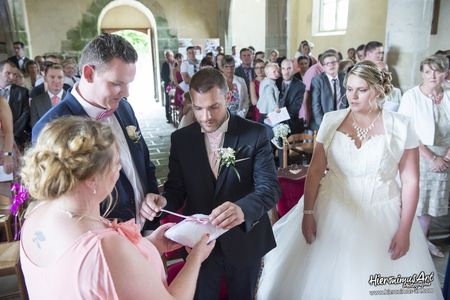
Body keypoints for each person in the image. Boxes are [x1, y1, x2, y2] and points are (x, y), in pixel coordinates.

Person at [257, 61, 444, 299]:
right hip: (332, 208)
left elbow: (411, 182)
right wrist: (308, 213)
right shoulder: (331, 120)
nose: (352, 96)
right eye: (349, 89)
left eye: (361, 90)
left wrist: (405, 230)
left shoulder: (401, 125)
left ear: (377, 89)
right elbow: (315, 172)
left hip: (383, 213)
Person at [20, 116, 215, 299]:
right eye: (116, 164)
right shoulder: (105, 248)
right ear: (92, 179)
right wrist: (196, 258)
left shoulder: (36, 213)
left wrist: (151, 244)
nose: (119, 170)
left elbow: (101, 277)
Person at [143, 68, 280, 300]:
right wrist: (164, 199)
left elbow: (269, 189)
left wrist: (243, 209)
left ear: (227, 98)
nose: (206, 116)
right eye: (198, 108)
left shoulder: (255, 134)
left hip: (244, 240)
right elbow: (176, 188)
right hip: (198, 245)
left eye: (214, 107)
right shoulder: (181, 139)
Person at [32, 33, 160, 230]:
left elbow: (143, 160)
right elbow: (59, 205)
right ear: (89, 73)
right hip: (101, 242)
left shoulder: (124, 108)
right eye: (117, 83)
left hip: (144, 229)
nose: (126, 93)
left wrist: (151, 195)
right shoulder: (52, 126)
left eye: (128, 83)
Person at [398, 55, 450, 258]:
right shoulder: (411, 96)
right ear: (422, 73)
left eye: (437, 70)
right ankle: (407, 239)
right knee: (413, 200)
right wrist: (431, 157)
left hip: (445, 157)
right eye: (428, 71)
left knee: (430, 203)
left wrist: (446, 158)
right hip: (417, 154)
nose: (432, 75)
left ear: (445, 73)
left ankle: (423, 241)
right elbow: (406, 131)